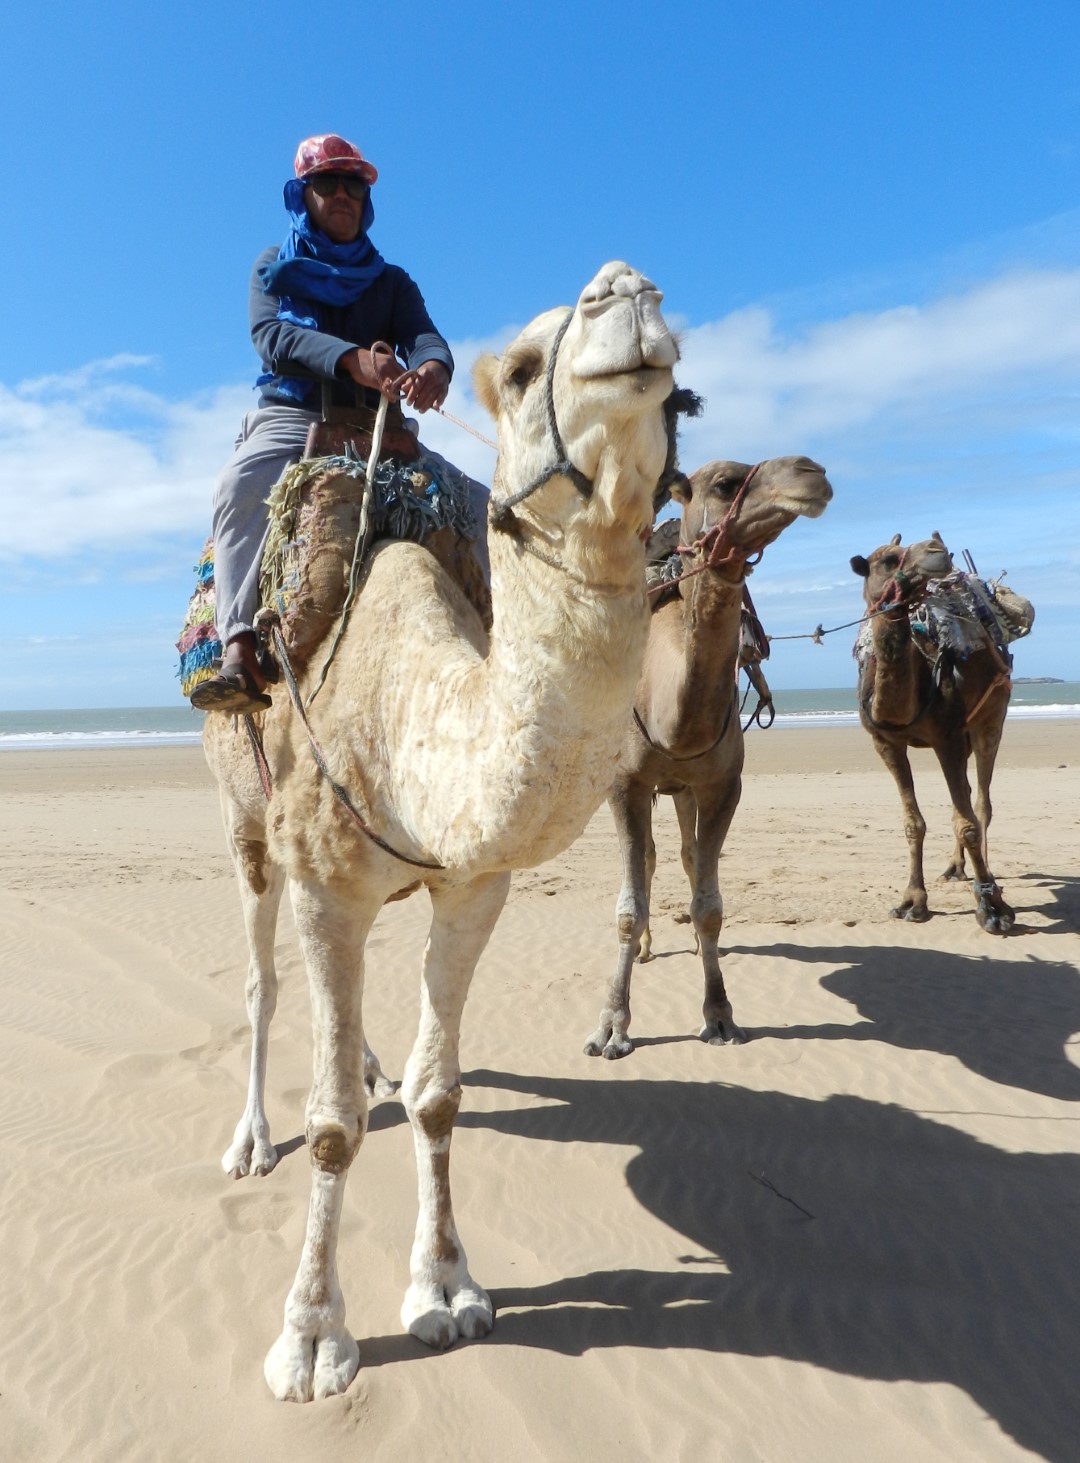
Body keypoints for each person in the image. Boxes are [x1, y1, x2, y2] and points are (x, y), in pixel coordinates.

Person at [192, 133, 472, 713]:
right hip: (294, 419)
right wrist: (354, 360)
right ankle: (240, 647)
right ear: (303, 194)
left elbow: (424, 335)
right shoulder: (274, 266)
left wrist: (432, 368)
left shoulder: (391, 281)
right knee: (238, 488)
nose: (342, 194)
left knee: (483, 508)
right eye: (327, 183)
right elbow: (271, 337)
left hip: (381, 432)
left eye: (353, 184)